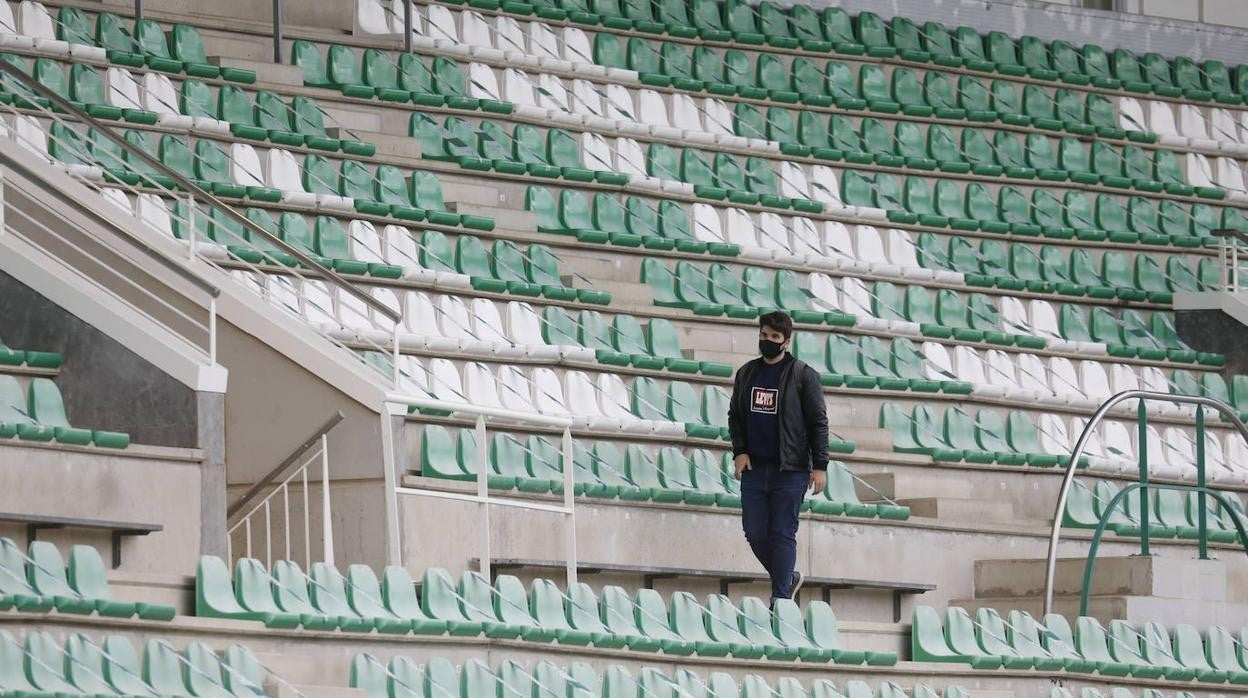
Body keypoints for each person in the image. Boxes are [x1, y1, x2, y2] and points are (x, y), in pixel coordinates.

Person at [727, 311, 829, 605]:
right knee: (754, 531)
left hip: (791, 469)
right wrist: (740, 451)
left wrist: (820, 466)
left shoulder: (803, 375)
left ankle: (781, 599)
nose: (768, 341)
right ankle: (787, 578)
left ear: (786, 341)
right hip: (755, 468)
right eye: (764, 335)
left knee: (783, 532)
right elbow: (735, 416)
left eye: (774, 337)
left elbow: (818, 422)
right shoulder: (747, 373)